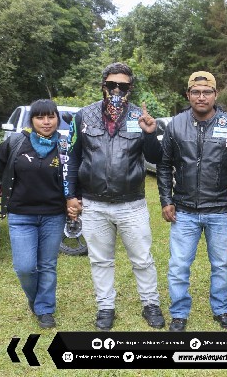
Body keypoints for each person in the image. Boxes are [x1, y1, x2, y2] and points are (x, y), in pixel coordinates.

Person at [64, 62, 165, 331]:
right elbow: (72, 158)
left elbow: (156, 158)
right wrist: (71, 195)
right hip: (94, 203)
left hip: (132, 204)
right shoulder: (83, 117)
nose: (117, 90)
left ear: (131, 88)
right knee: (100, 260)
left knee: (142, 259)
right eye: (111, 85)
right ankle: (105, 307)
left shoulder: (140, 117)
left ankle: (151, 304)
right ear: (103, 86)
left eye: (123, 85)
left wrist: (150, 134)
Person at [157, 71, 227, 332]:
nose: (201, 97)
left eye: (207, 92)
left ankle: (221, 309)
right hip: (184, 210)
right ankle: (178, 313)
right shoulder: (176, 124)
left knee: (221, 265)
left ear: (215, 94)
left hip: (220, 210)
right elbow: (164, 165)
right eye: (195, 92)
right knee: (178, 266)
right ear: (188, 95)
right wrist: (166, 200)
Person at [0, 100, 67, 328]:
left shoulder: (65, 146)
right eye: (40, 117)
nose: (46, 122)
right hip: (21, 215)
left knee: (47, 265)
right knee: (25, 268)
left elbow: (76, 175)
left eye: (51, 117)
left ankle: (45, 309)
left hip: (53, 215)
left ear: (57, 119)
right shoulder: (16, 142)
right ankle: (36, 300)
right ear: (32, 120)